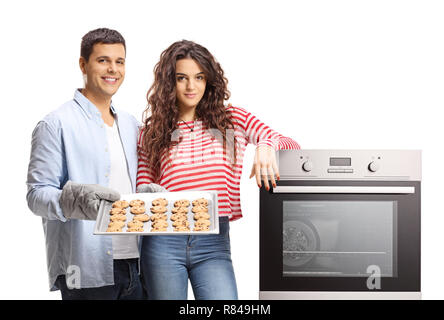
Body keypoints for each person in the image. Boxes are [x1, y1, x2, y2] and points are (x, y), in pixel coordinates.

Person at [137, 40, 300, 299]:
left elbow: (291, 145)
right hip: (163, 240)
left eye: (199, 77)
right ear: (169, 82)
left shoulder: (231, 119)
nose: (192, 86)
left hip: (213, 242)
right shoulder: (152, 131)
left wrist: (265, 146)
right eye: (182, 78)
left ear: (209, 80)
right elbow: (143, 187)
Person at [26, 28, 146, 300]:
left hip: (137, 265)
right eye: (103, 60)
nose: (112, 69)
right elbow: (35, 195)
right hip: (85, 267)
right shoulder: (55, 124)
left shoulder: (132, 125)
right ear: (83, 64)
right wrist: (73, 201)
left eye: (120, 61)